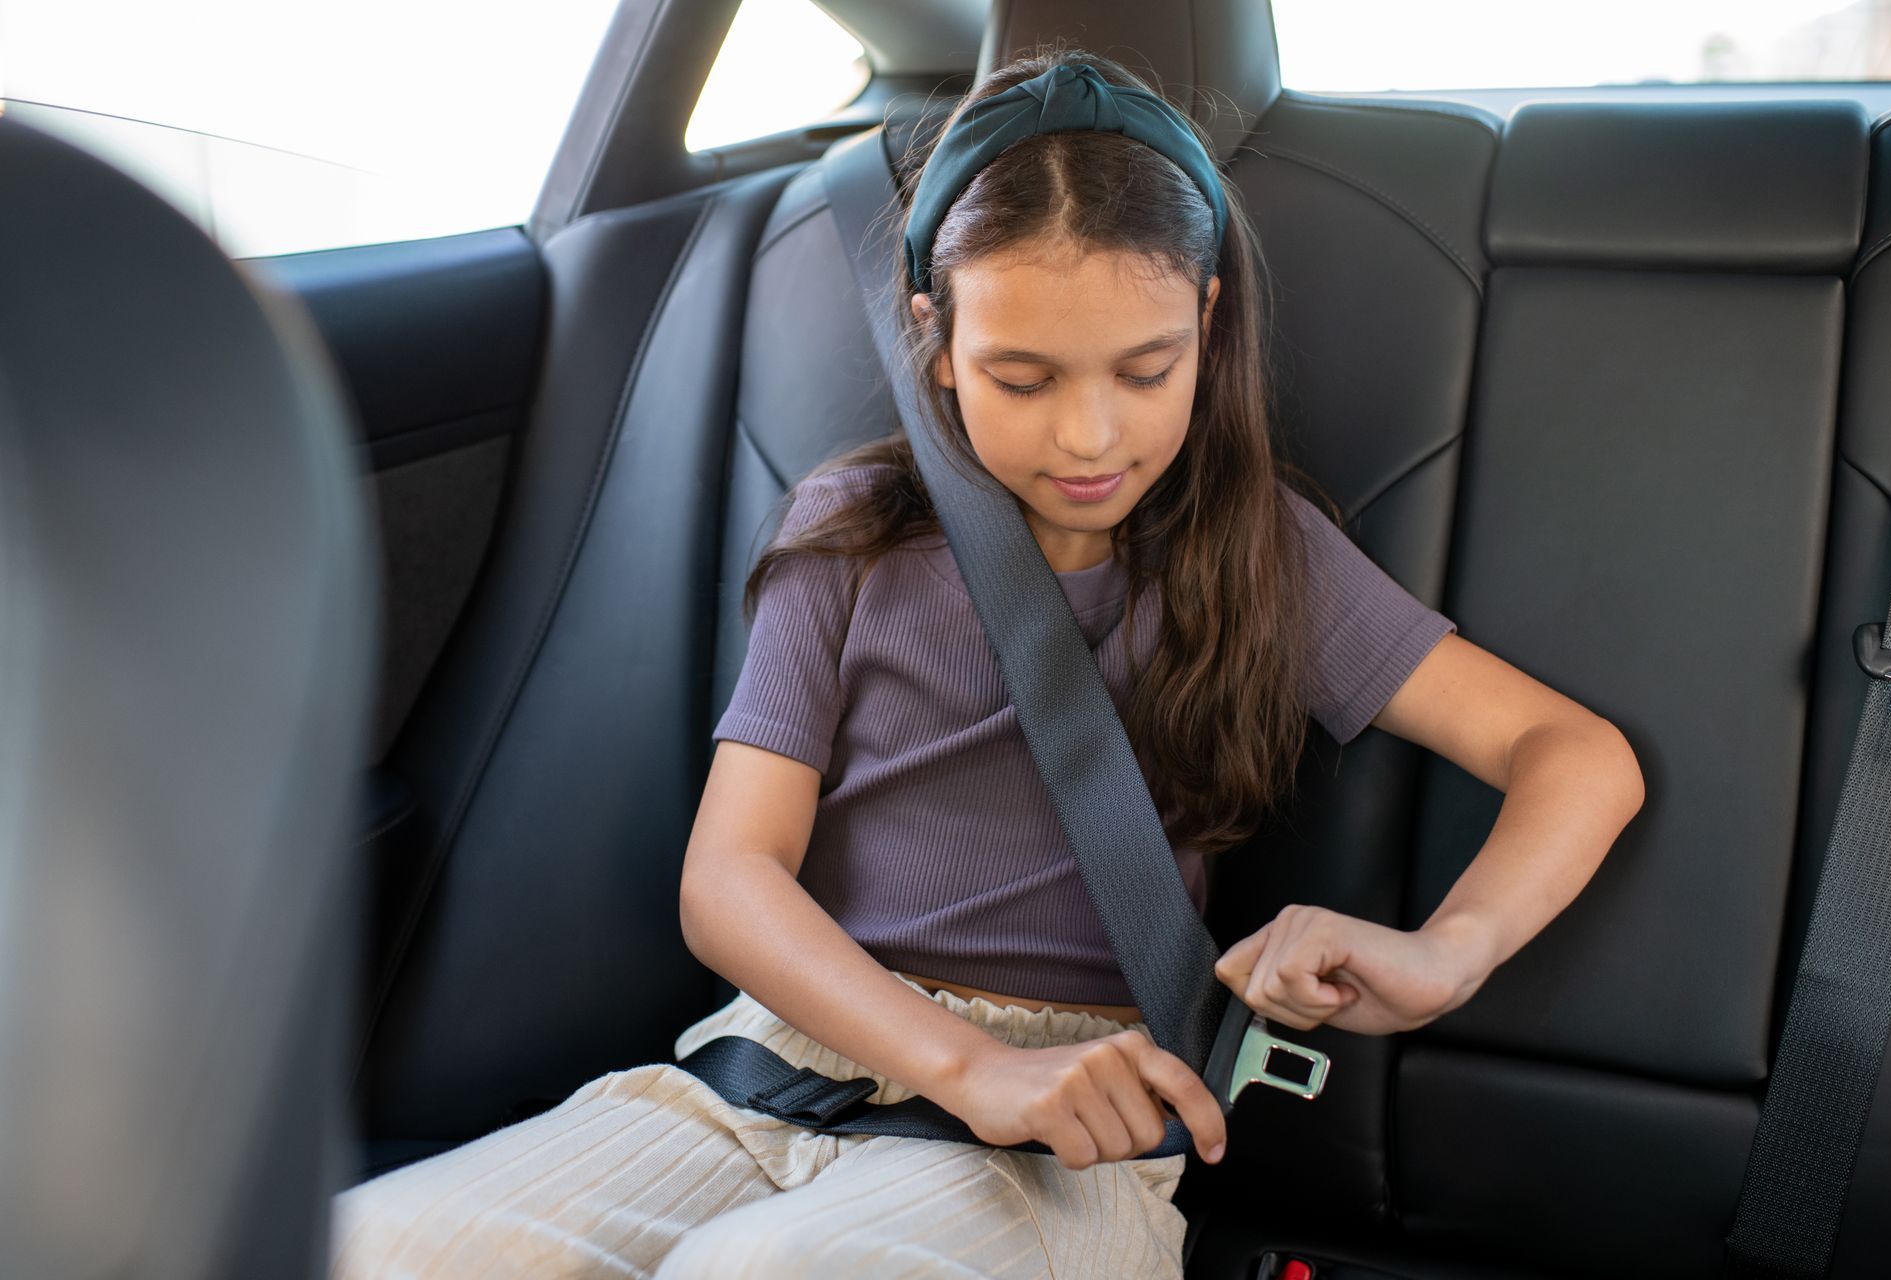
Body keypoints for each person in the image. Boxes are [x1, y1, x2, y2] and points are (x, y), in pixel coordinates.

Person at [329, 44, 1645, 1280]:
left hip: (1077, 1119)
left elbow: (1573, 756)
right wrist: (960, 1064)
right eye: (1022, 377)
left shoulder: (1257, 551)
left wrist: (1445, 953)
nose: (1090, 434)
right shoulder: (850, 537)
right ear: (936, 343)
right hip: (767, 1065)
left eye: (1147, 369)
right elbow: (731, 880)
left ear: (1207, 315)